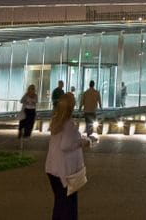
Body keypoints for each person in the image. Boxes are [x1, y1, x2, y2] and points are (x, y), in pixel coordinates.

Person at [45, 92, 90, 220]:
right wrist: (83, 142)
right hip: (64, 171)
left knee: (59, 203)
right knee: (68, 205)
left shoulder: (56, 121)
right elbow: (65, 145)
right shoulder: (69, 123)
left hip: (52, 168)